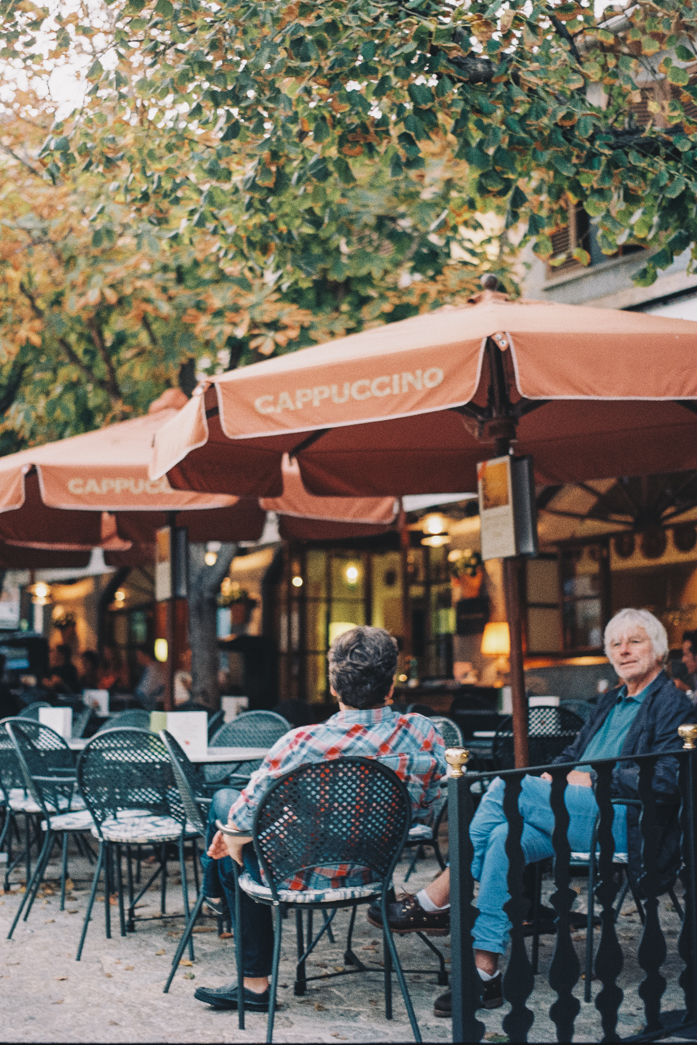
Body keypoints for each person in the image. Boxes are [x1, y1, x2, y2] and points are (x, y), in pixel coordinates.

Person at [371, 607, 694, 1018]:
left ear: (659, 648)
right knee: (504, 837)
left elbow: (666, 781)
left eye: (635, 641)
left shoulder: (673, 704)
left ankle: (439, 895)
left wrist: (596, 778)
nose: (624, 650)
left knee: (508, 786)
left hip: (624, 820)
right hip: (577, 813)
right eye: (616, 643)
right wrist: (554, 772)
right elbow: (572, 755)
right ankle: (483, 973)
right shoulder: (610, 701)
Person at [194, 625, 447, 1013]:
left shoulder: (301, 743)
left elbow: (244, 817)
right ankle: (217, 889)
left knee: (225, 807)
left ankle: (253, 981)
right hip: (374, 873)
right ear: (391, 685)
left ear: (333, 687)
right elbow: (429, 810)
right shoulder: (425, 733)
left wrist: (231, 833)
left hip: (294, 874)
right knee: (231, 827)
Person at [133, 644, 165, 710]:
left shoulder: (154, 670)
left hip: (153, 705)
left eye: (139, 655)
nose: (137, 659)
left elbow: (147, 690)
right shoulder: (147, 669)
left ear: (146, 656)